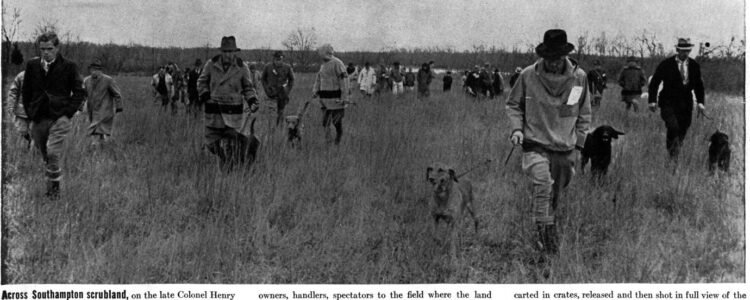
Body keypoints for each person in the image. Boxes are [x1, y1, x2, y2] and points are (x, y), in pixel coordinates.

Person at [506, 29, 591, 255]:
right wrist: (517, 129)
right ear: (543, 56)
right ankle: (546, 241)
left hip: (565, 147)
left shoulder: (579, 78)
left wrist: (579, 147)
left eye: (558, 59)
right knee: (543, 186)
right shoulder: (527, 75)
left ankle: (545, 223)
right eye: (549, 59)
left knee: (554, 194)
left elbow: (582, 113)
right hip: (535, 143)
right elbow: (513, 104)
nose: (553, 63)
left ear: (565, 56)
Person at [22, 32, 86, 199]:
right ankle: (50, 186)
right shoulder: (32, 65)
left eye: (49, 48)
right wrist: (30, 113)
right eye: (42, 49)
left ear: (57, 48)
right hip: (38, 118)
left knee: (52, 153)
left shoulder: (69, 66)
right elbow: (26, 91)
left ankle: (54, 194)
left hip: (59, 118)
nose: (46, 52)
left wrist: (68, 114)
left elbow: (80, 93)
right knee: (45, 156)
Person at [198, 36, 259, 168]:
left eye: (231, 52)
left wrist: (252, 100)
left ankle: (231, 167)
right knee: (211, 144)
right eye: (225, 51)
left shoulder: (242, 67)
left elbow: (248, 88)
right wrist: (205, 95)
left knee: (232, 143)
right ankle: (228, 159)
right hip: (214, 111)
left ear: (235, 52)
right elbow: (201, 82)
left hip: (233, 112)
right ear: (221, 52)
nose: (228, 55)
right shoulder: (211, 64)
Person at [648, 38, 705, 160]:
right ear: (677, 50)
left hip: (686, 103)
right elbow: (654, 82)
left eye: (688, 51)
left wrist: (700, 102)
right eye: (683, 50)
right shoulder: (666, 64)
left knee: (683, 129)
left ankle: (674, 152)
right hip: (668, 101)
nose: (685, 53)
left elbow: (699, 85)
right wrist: (652, 101)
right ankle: (672, 155)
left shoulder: (694, 66)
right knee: (673, 126)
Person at [313, 44, 350, 145]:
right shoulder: (323, 65)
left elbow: (344, 81)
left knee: (337, 122)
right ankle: (328, 141)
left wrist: (344, 97)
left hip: (336, 100)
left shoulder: (337, 63)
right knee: (325, 122)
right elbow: (319, 78)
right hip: (324, 100)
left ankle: (338, 140)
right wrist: (315, 90)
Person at [83, 60, 123, 147]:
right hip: (92, 108)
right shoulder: (86, 81)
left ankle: (94, 145)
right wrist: (80, 106)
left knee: (95, 126)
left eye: (96, 70)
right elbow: (84, 95)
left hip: (105, 108)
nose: (93, 72)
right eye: (91, 70)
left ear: (100, 70)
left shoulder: (108, 80)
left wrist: (119, 106)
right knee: (99, 128)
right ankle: (103, 144)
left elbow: (117, 94)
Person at [261, 51, 295, 126]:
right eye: (276, 59)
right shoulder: (268, 67)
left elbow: (291, 79)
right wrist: (266, 89)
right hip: (271, 94)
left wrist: (288, 90)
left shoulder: (287, 67)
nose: (278, 61)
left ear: (282, 59)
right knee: (271, 115)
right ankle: (271, 132)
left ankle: (279, 131)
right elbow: (263, 79)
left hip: (282, 95)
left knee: (281, 113)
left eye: (280, 59)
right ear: (274, 59)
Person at [7, 70, 31, 146]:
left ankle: (33, 148)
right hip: (21, 111)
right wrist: (11, 106)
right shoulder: (21, 76)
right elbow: (13, 92)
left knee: (36, 133)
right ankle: (30, 141)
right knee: (22, 130)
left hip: (37, 112)